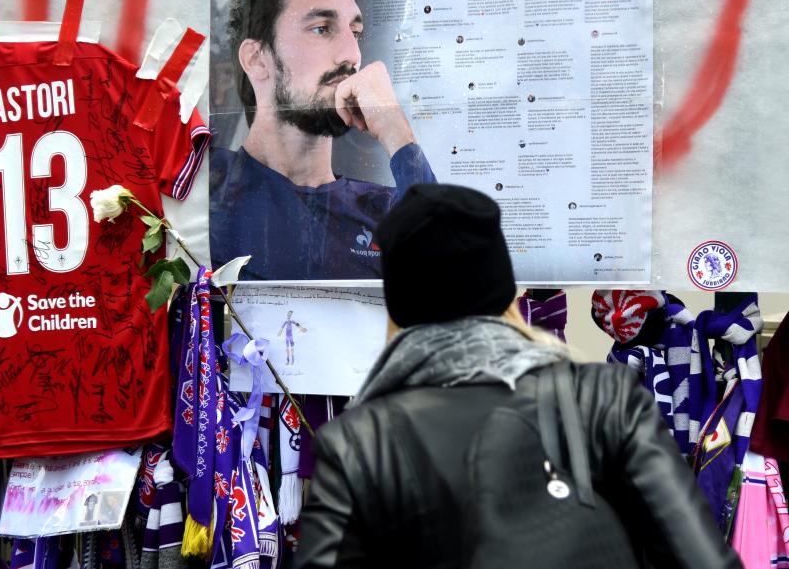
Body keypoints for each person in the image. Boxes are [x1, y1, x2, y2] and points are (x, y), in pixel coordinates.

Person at [295, 183, 741, 569]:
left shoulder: (358, 442)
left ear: (399, 305)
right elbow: (698, 558)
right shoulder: (606, 400)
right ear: (505, 291)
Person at [209, 0, 436, 281]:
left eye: (355, 33)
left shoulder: (384, 211)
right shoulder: (207, 188)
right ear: (257, 59)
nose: (352, 55)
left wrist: (397, 132)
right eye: (321, 28)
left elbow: (453, 289)